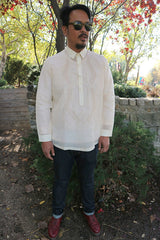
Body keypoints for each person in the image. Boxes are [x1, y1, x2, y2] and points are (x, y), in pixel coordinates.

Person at [36, 4, 115, 239]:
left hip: (90, 139)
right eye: (78, 25)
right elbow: (42, 103)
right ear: (65, 30)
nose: (84, 30)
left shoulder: (101, 63)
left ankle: (90, 212)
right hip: (61, 140)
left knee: (88, 182)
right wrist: (45, 138)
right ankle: (57, 216)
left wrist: (105, 132)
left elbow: (108, 100)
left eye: (87, 26)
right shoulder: (52, 65)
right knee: (60, 183)